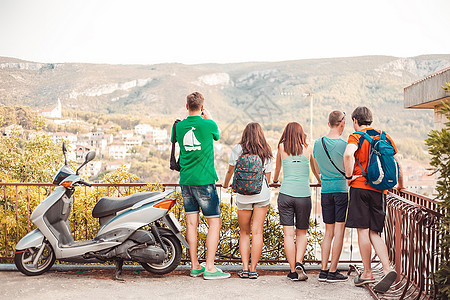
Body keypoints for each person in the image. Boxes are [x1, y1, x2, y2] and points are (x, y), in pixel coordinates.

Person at [343, 106, 404, 292]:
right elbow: (397, 163)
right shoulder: (384, 136)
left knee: (363, 230)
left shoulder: (355, 137)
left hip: (360, 187)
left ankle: (367, 273)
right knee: (375, 232)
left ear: (355, 120)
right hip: (380, 191)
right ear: (371, 120)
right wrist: (401, 185)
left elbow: (347, 155)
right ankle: (387, 269)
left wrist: (348, 177)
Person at [172, 92, 230, 280]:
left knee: (191, 223)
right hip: (205, 181)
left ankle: (195, 265)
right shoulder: (209, 124)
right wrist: (209, 117)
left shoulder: (179, 126)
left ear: (186, 106)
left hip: (186, 181)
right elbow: (217, 136)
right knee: (214, 223)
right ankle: (210, 267)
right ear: (202, 107)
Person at [222, 122, 272, 279]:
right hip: (261, 194)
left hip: (243, 195)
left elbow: (231, 170)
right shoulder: (266, 150)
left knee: (244, 232)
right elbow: (268, 178)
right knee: (257, 232)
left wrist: (225, 184)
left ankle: (244, 269)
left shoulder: (238, 149)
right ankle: (253, 270)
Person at [273, 122, 320, 281]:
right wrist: (319, 180)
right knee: (302, 232)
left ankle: (293, 270)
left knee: (288, 234)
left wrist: (274, 180)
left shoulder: (281, 147)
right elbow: (315, 168)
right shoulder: (309, 148)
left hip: (285, 194)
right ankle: (299, 262)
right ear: (301, 133)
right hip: (303, 195)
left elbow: (277, 169)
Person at [312, 111, 349, 283]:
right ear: (342, 123)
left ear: (329, 123)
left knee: (328, 232)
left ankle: (323, 270)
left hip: (325, 191)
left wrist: (321, 178)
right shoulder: (345, 145)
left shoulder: (318, 143)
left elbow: (315, 164)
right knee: (339, 231)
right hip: (341, 191)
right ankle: (333, 272)